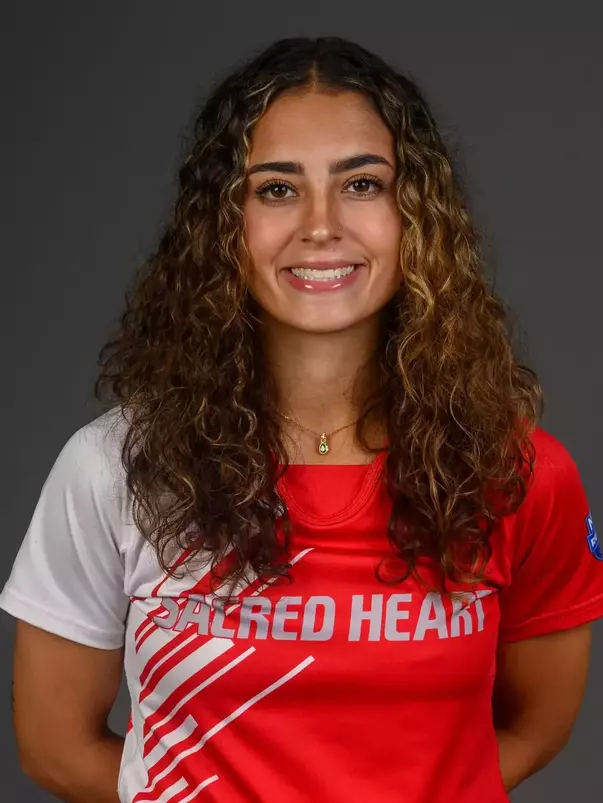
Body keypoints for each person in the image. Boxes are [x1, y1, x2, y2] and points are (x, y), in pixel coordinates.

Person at [2, 35, 602, 803]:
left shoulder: (516, 470)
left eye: (362, 183)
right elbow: (53, 746)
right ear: (222, 225)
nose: (321, 224)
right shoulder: (116, 466)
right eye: (276, 189)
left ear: (416, 215)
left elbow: (538, 723)